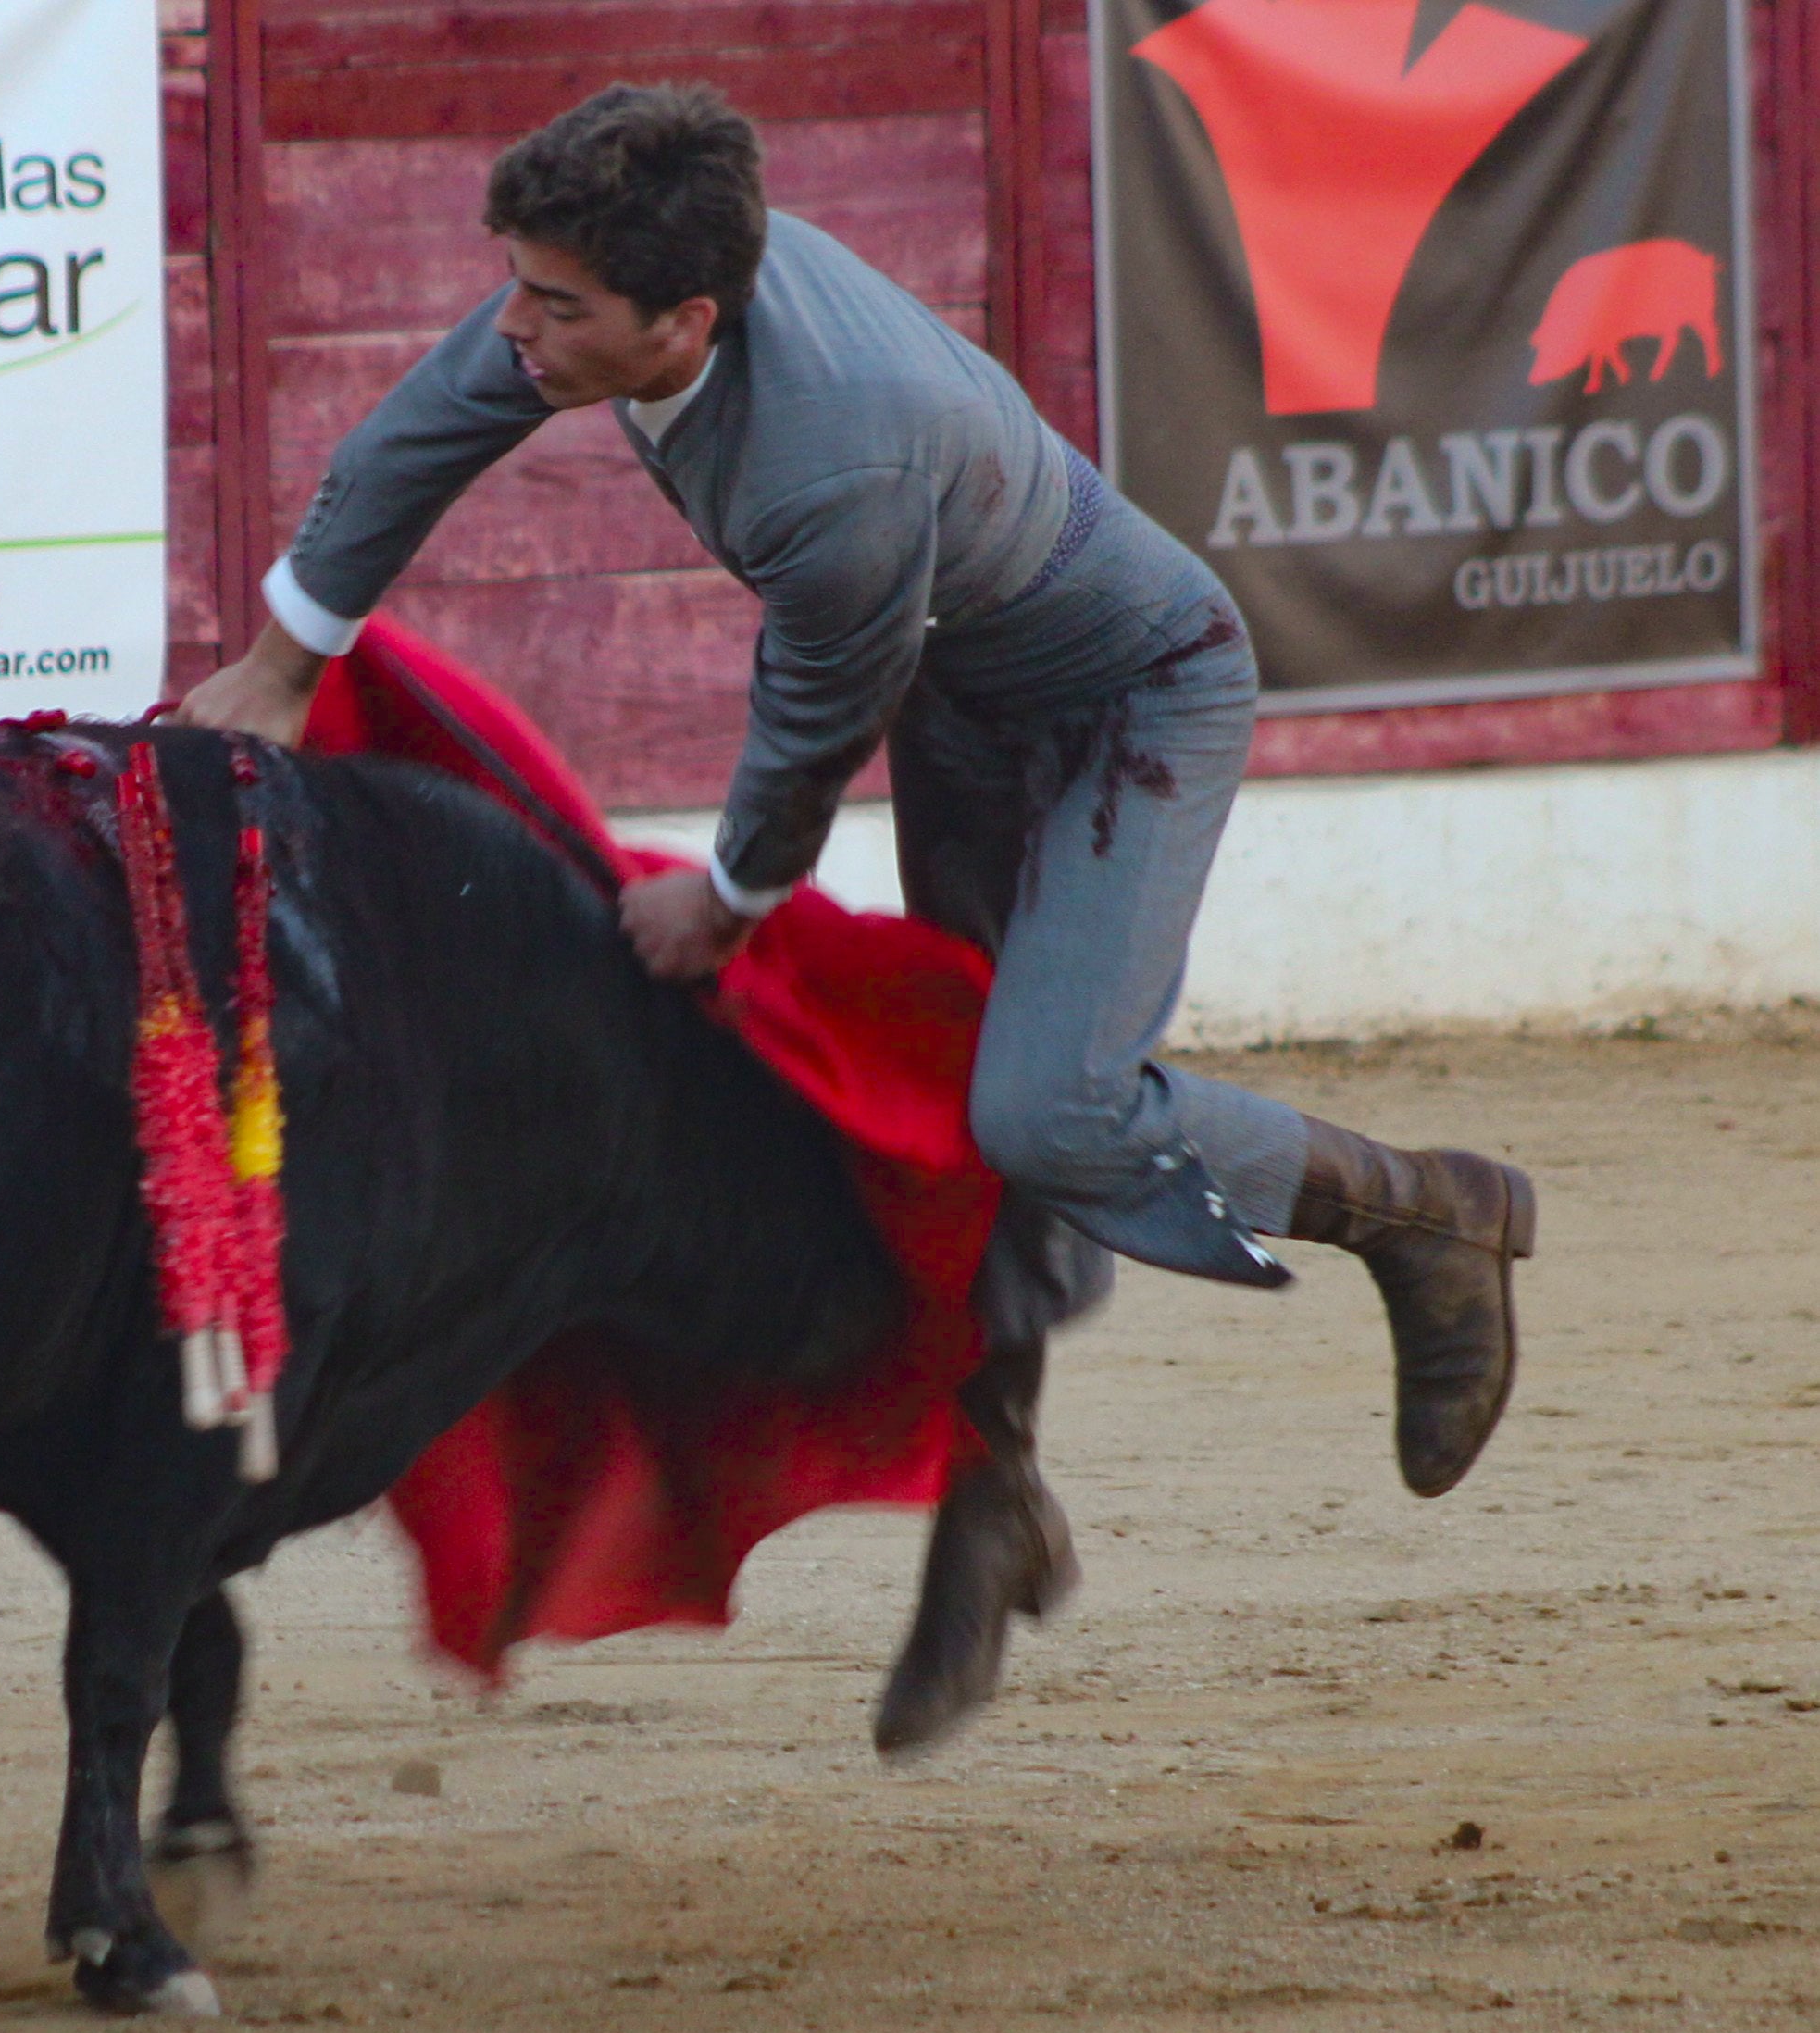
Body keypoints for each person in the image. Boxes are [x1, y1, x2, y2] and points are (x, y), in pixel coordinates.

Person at [176, 83, 1535, 1752]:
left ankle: (1425, 1212)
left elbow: (815, 720)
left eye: (554, 304)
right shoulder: (629, 292)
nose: (514, 328)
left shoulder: (837, 457)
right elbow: (421, 426)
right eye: (516, 285)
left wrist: (732, 906)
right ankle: (996, 1499)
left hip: (1130, 699)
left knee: (1049, 1107)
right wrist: (288, 661)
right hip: (970, 681)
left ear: (685, 323)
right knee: (956, 1098)